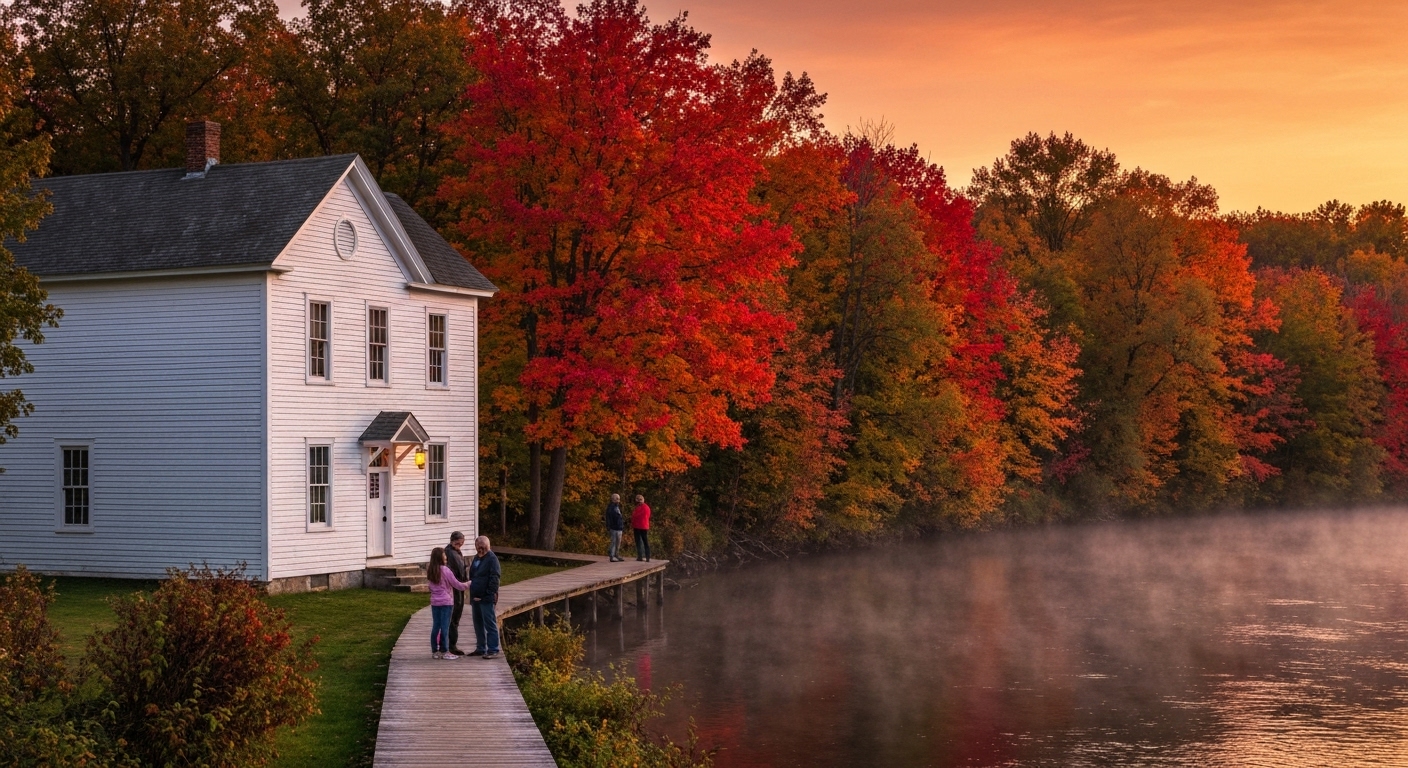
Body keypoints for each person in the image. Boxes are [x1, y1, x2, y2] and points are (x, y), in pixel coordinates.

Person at [426, 547, 469, 660]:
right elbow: (457, 585)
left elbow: (430, 587)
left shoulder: (431, 570)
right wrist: (469, 583)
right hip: (446, 603)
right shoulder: (445, 570)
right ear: (440, 557)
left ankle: (435, 651)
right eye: (444, 554)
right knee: (445, 627)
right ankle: (445, 651)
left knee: (436, 626)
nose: (446, 556)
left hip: (435, 602)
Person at [468, 535, 503, 659]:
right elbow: (473, 575)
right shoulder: (477, 558)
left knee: (489, 623)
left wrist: (488, 593)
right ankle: (481, 648)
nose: (480, 549)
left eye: (482, 546)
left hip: (486, 597)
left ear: (488, 546)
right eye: (478, 546)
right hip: (475, 596)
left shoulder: (492, 559)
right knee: (478, 623)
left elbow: (495, 578)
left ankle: (493, 649)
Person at [445, 531, 469, 655]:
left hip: (458, 587)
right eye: (459, 542)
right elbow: (458, 571)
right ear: (453, 541)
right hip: (455, 588)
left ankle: (450, 644)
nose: (461, 544)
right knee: (454, 617)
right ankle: (451, 646)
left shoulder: (454, 552)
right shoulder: (451, 553)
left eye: (462, 542)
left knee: (454, 618)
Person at [605, 493, 625, 562]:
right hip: (614, 527)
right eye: (617, 499)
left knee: (618, 542)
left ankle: (616, 554)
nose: (618, 500)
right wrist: (609, 526)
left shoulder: (617, 507)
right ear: (613, 499)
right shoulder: (611, 507)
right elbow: (609, 518)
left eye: (619, 499)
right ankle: (612, 555)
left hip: (619, 527)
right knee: (614, 542)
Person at [631, 494, 651, 562]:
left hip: (638, 526)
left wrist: (632, 522)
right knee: (645, 542)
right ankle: (647, 557)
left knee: (639, 542)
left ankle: (641, 556)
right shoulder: (647, 507)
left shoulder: (639, 508)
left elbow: (635, 516)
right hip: (644, 526)